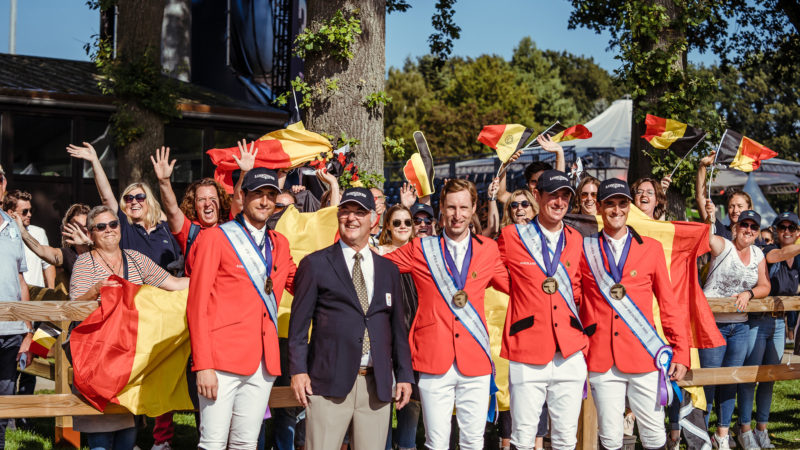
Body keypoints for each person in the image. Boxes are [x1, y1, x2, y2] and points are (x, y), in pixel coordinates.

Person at [383, 179, 511, 450]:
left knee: (473, 442)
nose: (457, 215)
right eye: (451, 207)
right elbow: (379, 265)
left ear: (474, 207)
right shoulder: (421, 249)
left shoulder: (488, 249)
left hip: (475, 359)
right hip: (432, 359)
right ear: (441, 207)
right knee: (436, 442)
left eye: (464, 207)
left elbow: (515, 286)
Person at [288, 187, 413, 450]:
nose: (351, 218)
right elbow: (298, 327)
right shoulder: (315, 264)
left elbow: (398, 329)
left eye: (359, 212)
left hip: (376, 385)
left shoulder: (388, 269)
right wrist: (298, 371)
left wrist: (404, 375)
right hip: (327, 383)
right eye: (345, 211)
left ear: (374, 219)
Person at [187, 168, 296, 449]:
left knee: (246, 443)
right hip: (220, 360)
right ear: (242, 196)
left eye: (271, 195)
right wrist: (204, 364)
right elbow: (196, 306)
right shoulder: (214, 238)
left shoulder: (280, 244)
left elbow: (302, 281)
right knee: (212, 442)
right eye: (258, 194)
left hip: (263, 362)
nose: (264, 201)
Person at [579, 179, 689, 450]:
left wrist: (681, 351)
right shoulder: (584, 248)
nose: (616, 210)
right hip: (601, 358)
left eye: (622, 203)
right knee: (610, 436)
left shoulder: (650, 248)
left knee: (653, 435)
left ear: (629, 206)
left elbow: (668, 304)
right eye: (610, 204)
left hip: (644, 355)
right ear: (600, 207)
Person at [69, 205, 188, 450]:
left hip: (128, 366)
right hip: (97, 362)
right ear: (91, 234)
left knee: (126, 441)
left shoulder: (136, 258)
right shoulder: (84, 263)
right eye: (100, 227)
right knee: (101, 443)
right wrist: (95, 290)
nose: (109, 230)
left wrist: (211, 280)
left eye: (113, 224)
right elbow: (73, 308)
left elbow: (175, 284)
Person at [498, 170, 589, 450]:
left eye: (565, 196)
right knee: (523, 437)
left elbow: (582, 290)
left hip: (569, 351)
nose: (559, 202)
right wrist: (522, 291)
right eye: (553, 196)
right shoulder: (512, 236)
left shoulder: (577, 239)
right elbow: (490, 268)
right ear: (537, 196)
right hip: (527, 348)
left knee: (565, 439)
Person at [700, 204, 770, 450]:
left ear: (757, 231)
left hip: (739, 326)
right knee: (707, 381)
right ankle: (700, 434)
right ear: (736, 228)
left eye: (753, 227)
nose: (748, 230)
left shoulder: (758, 254)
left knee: (731, 380)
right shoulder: (724, 245)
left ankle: (721, 434)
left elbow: (765, 286)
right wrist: (709, 216)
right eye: (744, 225)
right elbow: (708, 239)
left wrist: (749, 293)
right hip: (713, 324)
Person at [736, 211, 800, 449]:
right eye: (782, 227)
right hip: (757, 321)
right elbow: (781, 255)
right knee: (750, 377)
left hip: (779, 324)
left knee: (769, 379)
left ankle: (761, 429)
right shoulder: (767, 251)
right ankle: (744, 429)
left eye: (791, 228)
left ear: (797, 232)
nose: (786, 231)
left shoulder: (798, 259)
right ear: (775, 231)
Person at [67, 142, 181, 270]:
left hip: (168, 288)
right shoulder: (123, 226)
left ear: (149, 202)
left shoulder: (165, 229)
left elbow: (173, 212)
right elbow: (106, 196)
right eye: (128, 198)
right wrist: (95, 161)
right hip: (135, 289)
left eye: (140, 197)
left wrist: (164, 181)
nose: (134, 202)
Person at [0, 200, 33, 450]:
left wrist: (28, 331)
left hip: (12, 331)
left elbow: (21, 282)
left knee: (5, 402)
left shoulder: (13, 226)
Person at [11, 204, 91, 280]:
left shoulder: (99, 248)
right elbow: (41, 250)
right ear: (69, 230)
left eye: (86, 226)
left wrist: (89, 243)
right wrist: (21, 230)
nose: (83, 230)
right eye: (77, 227)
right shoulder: (68, 255)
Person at [3, 190, 55, 289]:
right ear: (11, 213)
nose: (29, 214)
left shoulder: (39, 233)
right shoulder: (2, 236)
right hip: (12, 297)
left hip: (37, 297)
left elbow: (48, 265)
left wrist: (50, 291)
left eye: (31, 210)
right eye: (25, 211)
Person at [696, 151, 753, 240]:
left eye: (740, 206)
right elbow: (701, 199)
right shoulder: (720, 231)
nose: (735, 210)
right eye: (731, 206)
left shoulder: (756, 238)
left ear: (749, 209)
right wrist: (702, 166)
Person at [496, 135, 567, 204]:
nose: (538, 185)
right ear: (527, 183)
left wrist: (559, 152)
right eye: (533, 182)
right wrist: (504, 164)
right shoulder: (524, 202)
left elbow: (559, 182)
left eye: (542, 180)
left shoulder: (553, 201)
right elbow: (502, 196)